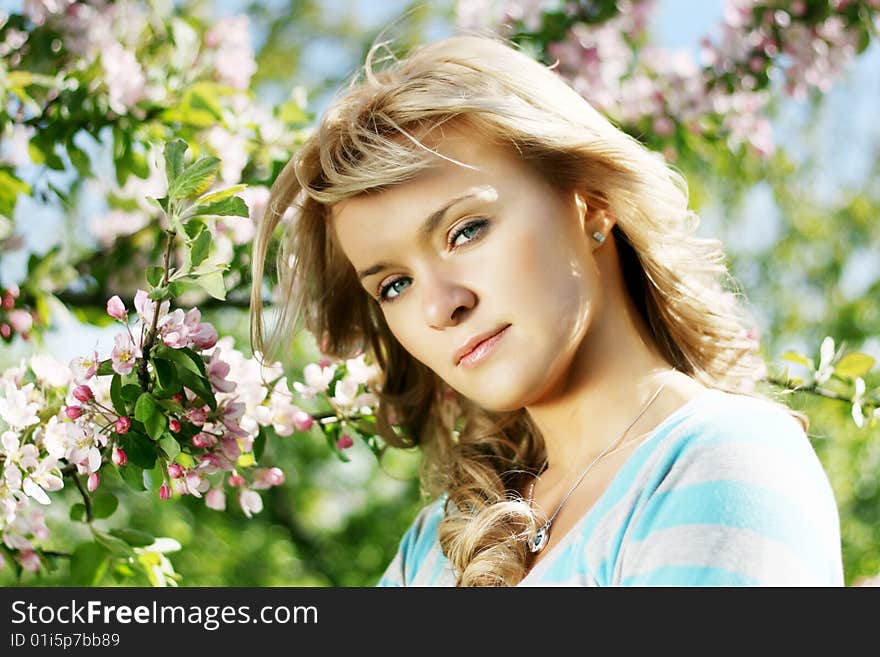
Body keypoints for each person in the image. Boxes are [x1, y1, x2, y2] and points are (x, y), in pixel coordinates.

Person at [249, 33, 844, 586]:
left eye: (466, 231)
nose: (439, 306)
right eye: (395, 286)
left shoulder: (724, 461)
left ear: (590, 203)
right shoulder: (432, 547)